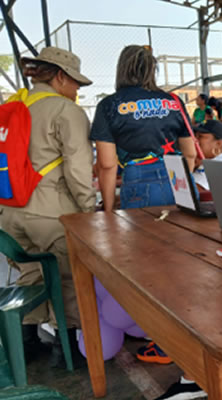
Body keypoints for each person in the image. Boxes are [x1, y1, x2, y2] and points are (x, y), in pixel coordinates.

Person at [0, 47, 94, 365]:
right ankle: (66, 351)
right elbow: (78, 170)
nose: (77, 89)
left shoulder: (13, 105)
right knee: (66, 278)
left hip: (10, 213)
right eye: (76, 82)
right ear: (60, 76)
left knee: (30, 273)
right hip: (50, 213)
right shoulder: (66, 111)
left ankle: (27, 342)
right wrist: (88, 212)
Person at [92, 45, 196, 213]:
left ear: (121, 69)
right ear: (152, 69)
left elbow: (107, 165)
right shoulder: (174, 101)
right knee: (185, 229)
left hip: (138, 181)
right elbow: (190, 154)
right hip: (178, 177)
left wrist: (109, 209)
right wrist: (182, 183)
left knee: (143, 230)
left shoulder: (109, 105)